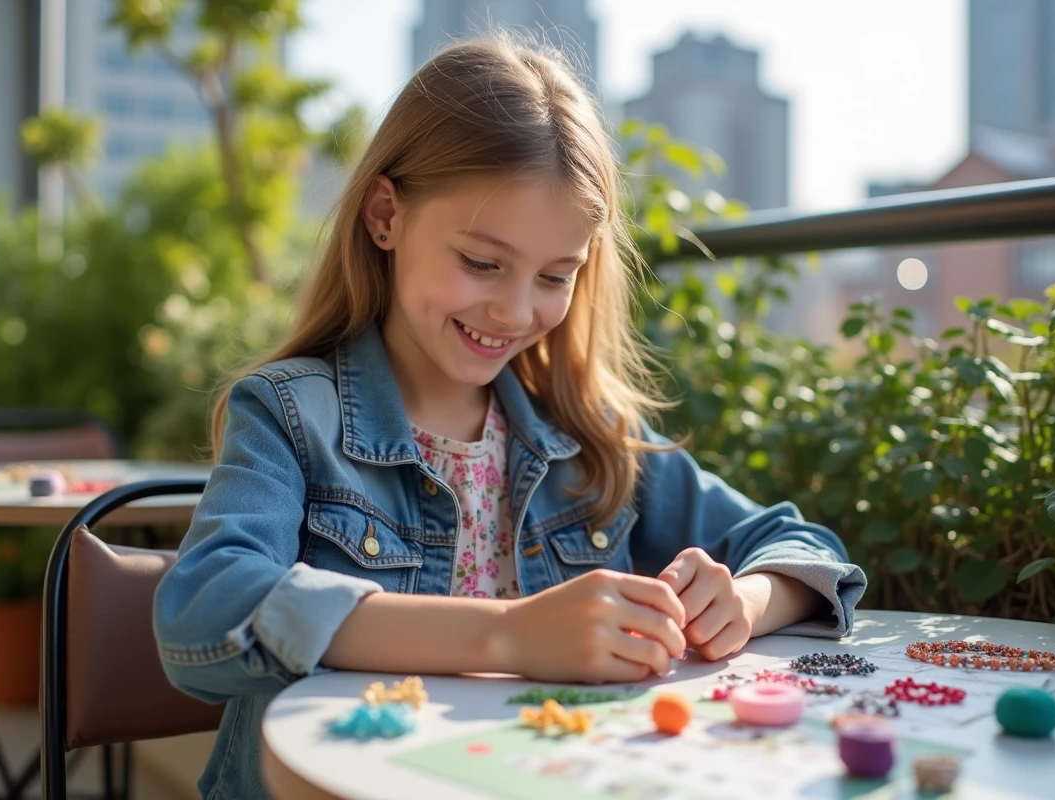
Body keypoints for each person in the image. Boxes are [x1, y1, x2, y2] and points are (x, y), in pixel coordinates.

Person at [153, 33, 866, 799]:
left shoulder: (586, 437)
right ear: (386, 215)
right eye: (482, 263)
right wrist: (509, 633)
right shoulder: (293, 417)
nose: (515, 309)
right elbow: (203, 611)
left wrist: (742, 603)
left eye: (556, 275)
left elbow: (803, 549)